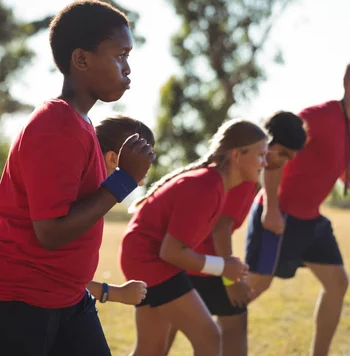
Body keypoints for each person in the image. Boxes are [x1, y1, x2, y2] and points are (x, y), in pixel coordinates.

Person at [0, 0, 155, 356]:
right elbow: (51, 231)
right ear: (81, 59)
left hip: (65, 297)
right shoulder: (57, 125)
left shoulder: (80, 123)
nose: (128, 69)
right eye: (120, 55)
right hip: (12, 303)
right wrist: (123, 180)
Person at [245, 61, 350, 356]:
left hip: (310, 222)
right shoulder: (317, 118)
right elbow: (275, 153)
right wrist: (272, 209)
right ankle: (204, 325)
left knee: (337, 282)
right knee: (252, 288)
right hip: (277, 215)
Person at [120, 118, 268, 356]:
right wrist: (223, 267)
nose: (265, 163)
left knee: (151, 348)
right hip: (151, 261)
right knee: (209, 337)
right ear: (237, 155)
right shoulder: (206, 186)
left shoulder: (215, 184)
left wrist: (223, 268)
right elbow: (171, 251)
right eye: (261, 155)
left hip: (143, 257)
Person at [166, 111, 307, 356]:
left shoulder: (242, 173)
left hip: (192, 263)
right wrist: (230, 280)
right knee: (231, 326)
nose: (284, 162)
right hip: (195, 263)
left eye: (290, 158)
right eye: (282, 153)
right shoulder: (242, 177)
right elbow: (220, 229)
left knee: (164, 338)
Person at [87, 115, 156, 305]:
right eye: (142, 154)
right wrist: (113, 293)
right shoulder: (85, 201)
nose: (148, 164)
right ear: (113, 158)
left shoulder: (95, 198)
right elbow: (53, 277)